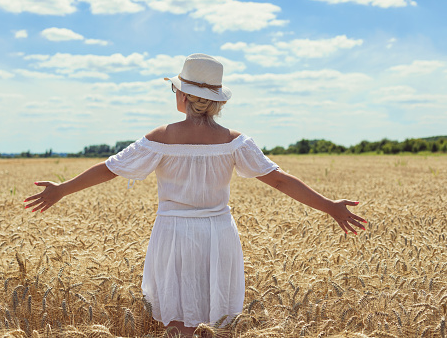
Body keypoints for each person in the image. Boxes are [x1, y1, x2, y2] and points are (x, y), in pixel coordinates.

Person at [24, 53, 366, 337]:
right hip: (218, 235)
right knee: (214, 321)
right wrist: (329, 207)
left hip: (173, 234)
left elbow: (110, 169)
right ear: (215, 102)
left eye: (175, 89)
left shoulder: (162, 136)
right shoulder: (235, 141)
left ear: (184, 96)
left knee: (176, 320)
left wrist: (62, 189)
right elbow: (279, 180)